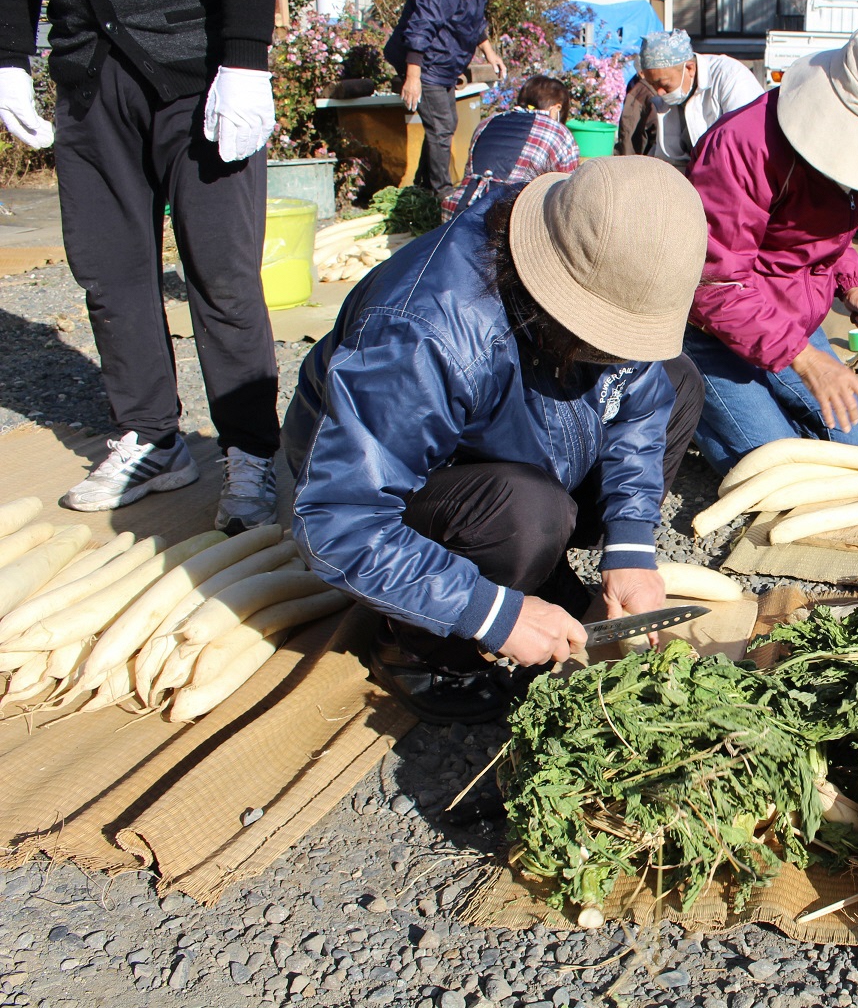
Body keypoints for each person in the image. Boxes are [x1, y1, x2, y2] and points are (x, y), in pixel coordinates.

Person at [283, 157, 708, 725]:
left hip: (515, 452)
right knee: (528, 514)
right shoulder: (425, 328)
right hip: (396, 493)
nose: (618, 353)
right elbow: (340, 517)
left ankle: (535, 567)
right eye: (604, 336)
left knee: (676, 379)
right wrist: (487, 612)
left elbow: (641, 403)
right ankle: (415, 648)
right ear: (547, 287)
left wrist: (630, 545)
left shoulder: (595, 267)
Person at [0, 0, 284, 532]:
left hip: (202, 75)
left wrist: (247, 60)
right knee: (110, 274)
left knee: (221, 275)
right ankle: (152, 440)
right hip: (89, 81)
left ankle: (249, 453)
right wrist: (8, 55)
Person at [682, 27, 858, 475]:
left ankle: (762, 391)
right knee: (774, 468)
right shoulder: (743, 147)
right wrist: (806, 359)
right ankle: (681, 395)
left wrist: (850, 289)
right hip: (709, 329)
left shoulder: (857, 165)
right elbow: (713, 281)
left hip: (789, 318)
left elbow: (822, 239)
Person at [384, 0, 505, 202]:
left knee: (444, 124)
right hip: (426, 65)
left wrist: (489, 52)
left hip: (444, 66)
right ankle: (442, 194)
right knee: (441, 126)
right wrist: (413, 76)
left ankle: (423, 187)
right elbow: (421, 26)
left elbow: (473, 22)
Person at [614, 29, 763, 172]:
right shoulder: (667, 97)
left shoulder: (730, 76)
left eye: (664, 84)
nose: (659, 92)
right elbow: (670, 157)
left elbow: (746, 143)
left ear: (690, 69)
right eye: (654, 85)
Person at [442, 75, 579, 221]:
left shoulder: (487, 122)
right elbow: (568, 191)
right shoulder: (559, 132)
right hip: (507, 220)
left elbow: (470, 174)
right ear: (556, 108)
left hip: (458, 214)